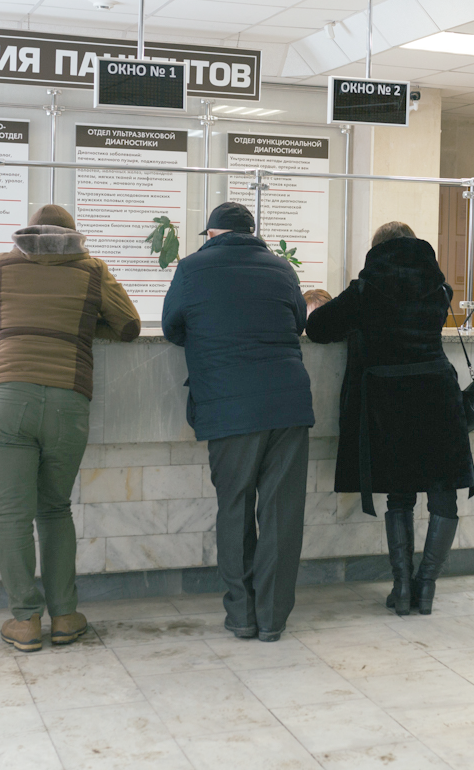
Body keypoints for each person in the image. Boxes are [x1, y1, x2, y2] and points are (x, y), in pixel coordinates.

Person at [0, 204, 141, 652]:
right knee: (55, 510)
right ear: (74, 235)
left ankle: (23, 621)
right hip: (66, 401)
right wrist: (82, 324)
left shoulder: (0, 265)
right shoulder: (93, 270)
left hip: (8, 400)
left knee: (13, 515)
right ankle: (64, 617)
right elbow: (130, 326)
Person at [162, 201, 314, 642]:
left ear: (211, 234)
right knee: (282, 515)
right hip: (287, 405)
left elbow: (173, 328)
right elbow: (300, 321)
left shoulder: (191, 269)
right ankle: (273, 618)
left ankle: (242, 615)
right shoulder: (282, 269)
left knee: (235, 509)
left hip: (229, 408)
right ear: (253, 232)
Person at [306, 221, 474, 615]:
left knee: (400, 492)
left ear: (378, 249)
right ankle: (426, 587)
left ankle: (401, 588)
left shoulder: (366, 289)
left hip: (390, 401)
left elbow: (317, 328)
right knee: (443, 492)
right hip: (438, 396)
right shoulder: (440, 287)